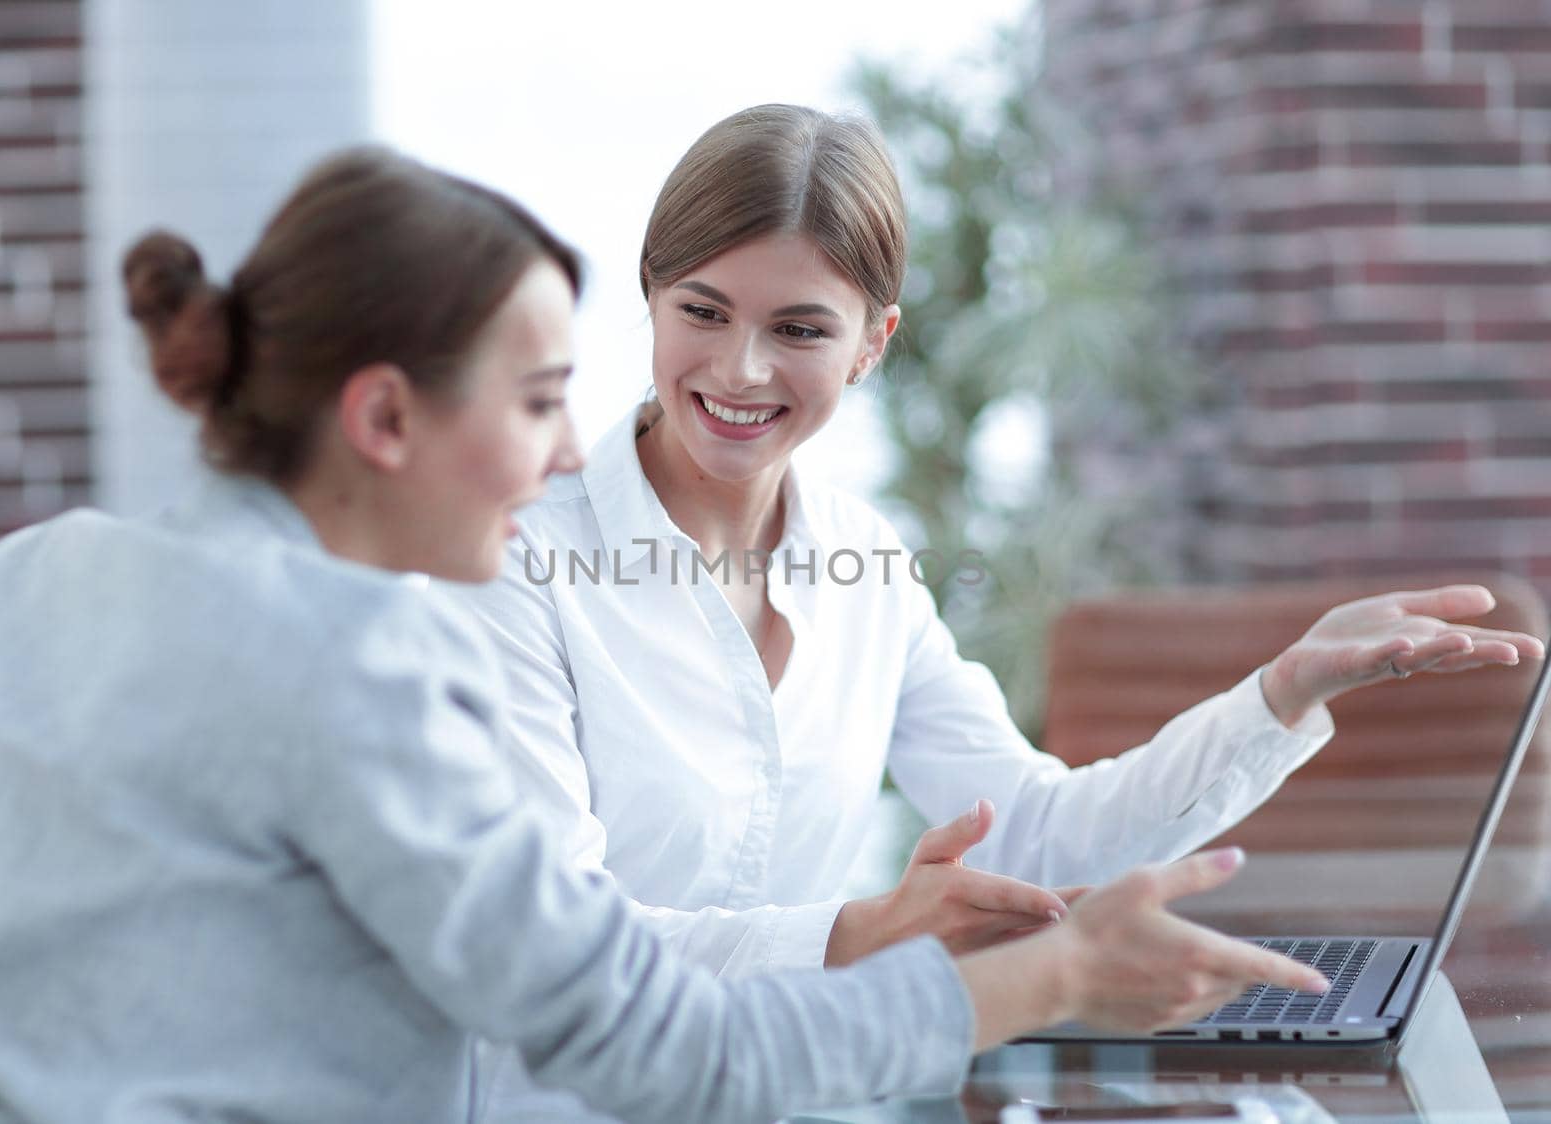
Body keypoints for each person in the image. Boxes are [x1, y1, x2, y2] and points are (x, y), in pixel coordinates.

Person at [0, 146, 1331, 1124]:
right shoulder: (365, 670)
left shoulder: (28, 572)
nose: (567, 450)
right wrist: (1057, 976)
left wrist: (1280, 696)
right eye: (541, 400)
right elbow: (652, 1045)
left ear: (871, 343)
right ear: (383, 421)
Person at [463, 104, 1545, 1120]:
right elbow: (555, 943)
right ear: (651, 295)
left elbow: (1037, 827)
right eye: (702, 310)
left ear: (872, 342)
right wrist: (857, 932)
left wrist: (1280, 691)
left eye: (798, 327)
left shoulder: (861, 557)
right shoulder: (515, 558)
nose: (740, 367)